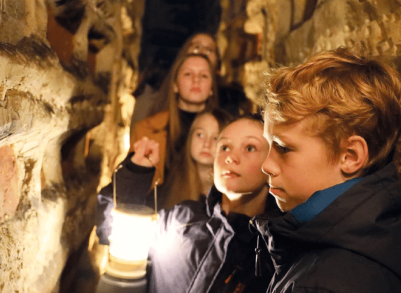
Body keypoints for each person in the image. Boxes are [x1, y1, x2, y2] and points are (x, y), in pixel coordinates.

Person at [253, 48, 401, 292]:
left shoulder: (322, 284)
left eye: (284, 148)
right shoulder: (366, 241)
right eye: (269, 145)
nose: (266, 165)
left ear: (350, 156)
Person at [97, 115, 277, 293]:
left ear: (272, 164)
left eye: (250, 147)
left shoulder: (275, 254)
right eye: (224, 147)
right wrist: (136, 172)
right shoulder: (180, 221)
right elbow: (111, 230)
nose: (231, 157)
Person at [130, 52, 217, 209]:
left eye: (203, 76)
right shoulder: (147, 130)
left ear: (212, 88)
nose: (196, 79)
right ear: (175, 85)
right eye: (188, 74)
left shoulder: (227, 131)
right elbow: (132, 184)